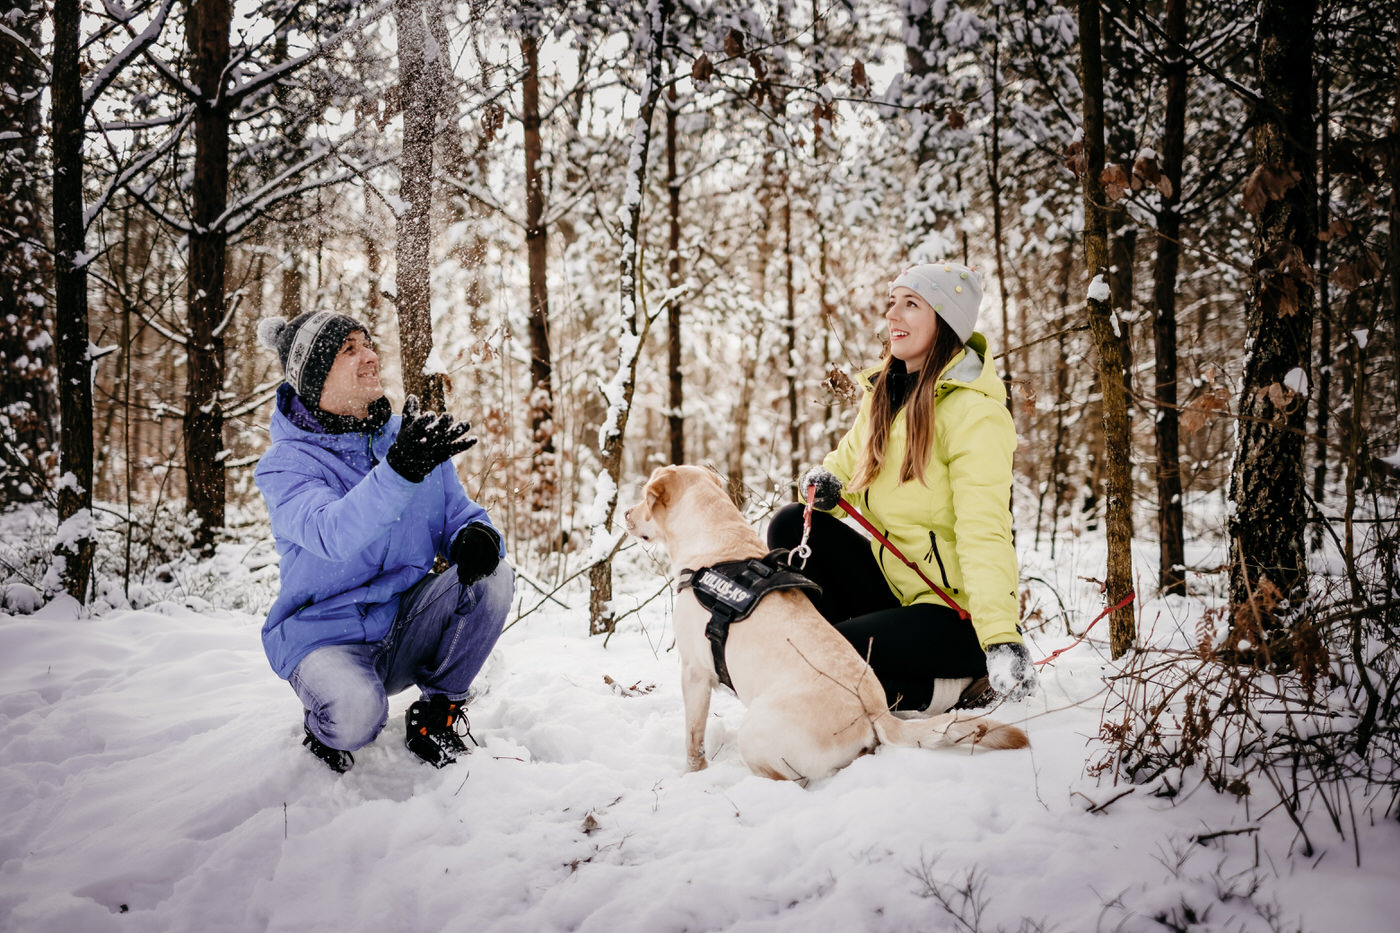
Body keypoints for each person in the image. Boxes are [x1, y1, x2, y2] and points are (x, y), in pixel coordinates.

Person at [768, 262, 1037, 714]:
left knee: (825, 654)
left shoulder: (976, 416)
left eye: (910, 304)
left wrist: (1001, 637)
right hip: (896, 588)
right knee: (793, 524)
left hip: (954, 615)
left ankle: (956, 686)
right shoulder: (884, 395)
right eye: (892, 302)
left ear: (945, 320)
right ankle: (839, 663)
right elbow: (840, 476)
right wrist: (820, 486)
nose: (892, 314)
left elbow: (984, 531)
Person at [254, 310, 514, 773]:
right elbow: (331, 534)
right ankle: (327, 723)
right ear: (316, 379)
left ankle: (436, 714)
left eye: (368, 343)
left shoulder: (406, 440)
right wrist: (399, 472)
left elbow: (457, 514)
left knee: (493, 577)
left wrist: (476, 536)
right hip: (325, 637)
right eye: (349, 349)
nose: (370, 356)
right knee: (357, 720)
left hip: (404, 623)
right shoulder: (287, 464)